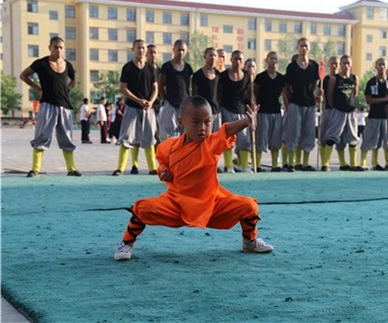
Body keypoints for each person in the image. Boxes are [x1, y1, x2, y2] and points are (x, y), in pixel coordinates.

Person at [113, 96, 274, 261]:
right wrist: (164, 172)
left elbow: (226, 131)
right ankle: (126, 243)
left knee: (249, 206)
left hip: (211, 205)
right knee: (142, 208)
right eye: (196, 122)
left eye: (207, 122)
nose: (203, 128)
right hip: (176, 204)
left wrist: (247, 121)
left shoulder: (210, 143)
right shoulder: (169, 146)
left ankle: (250, 242)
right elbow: (163, 164)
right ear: (181, 122)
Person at [19, 36, 82, 177]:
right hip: (47, 104)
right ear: (50, 48)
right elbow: (23, 75)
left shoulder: (68, 65)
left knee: (67, 138)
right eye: (56, 47)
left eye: (61, 47)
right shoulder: (41, 63)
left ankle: (71, 169)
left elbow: (74, 79)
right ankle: (35, 169)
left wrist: (68, 88)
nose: (58, 50)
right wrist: (37, 88)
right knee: (42, 136)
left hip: (65, 105)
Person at [112, 39, 158, 176]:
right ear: (133, 49)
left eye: (143, 48)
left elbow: (155, 88)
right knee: (126, 137)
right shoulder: (128, 68)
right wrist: (138, 100)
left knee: (149, 137)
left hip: (147, 109)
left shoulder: (150, 68)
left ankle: (152, 168)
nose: (141, 50)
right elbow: (123, 88)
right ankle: (120, 168)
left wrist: (150, 101)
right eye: (138, 48)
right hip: (132, 107)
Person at [283, 38, 321, 171]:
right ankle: (291, 163)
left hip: (310, 105)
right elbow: (287, 86)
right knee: (293, 133)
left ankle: (305, 163)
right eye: (301, 46)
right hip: (295, 103)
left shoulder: (314, 66)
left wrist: (316, 94)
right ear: (297, 48)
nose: (303, 48)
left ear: (309, 48)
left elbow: (317, 82)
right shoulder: (292, 67)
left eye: (306, 46)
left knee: (309, 133)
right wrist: (288, 102)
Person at [360, 57, 388, 171]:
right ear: (376, 66)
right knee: (370, 139)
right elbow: (368, 100)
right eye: (379, 64)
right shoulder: (371, 82)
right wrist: (383, 99)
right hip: (374, 115)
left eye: (384, 65)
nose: (382, 67)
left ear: (387, 67)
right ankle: (366, 162)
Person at [322, 54, 361, 171]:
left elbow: (355, 93)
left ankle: (353, 164)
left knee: (352, 138)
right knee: (332, 136)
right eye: (344, 63)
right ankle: (325, 164)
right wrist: (335, 107)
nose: (346, 65)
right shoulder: (334, 79)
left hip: (351, 111)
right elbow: (329, 96)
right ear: (341, 65)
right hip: (337, 111)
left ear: (351, 64)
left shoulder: (355, 78)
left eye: (348, 63)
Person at [218, 50, 253, 173]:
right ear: (231, 60)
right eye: (235, 59)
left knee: (244, 139)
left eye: (240, 59)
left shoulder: (247, 76)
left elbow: (250, 93)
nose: (238, 62)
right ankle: (229, 166)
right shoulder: (223, 76)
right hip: (226, 109)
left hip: (241, 110)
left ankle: (244, 165)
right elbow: (218, 92)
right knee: (227, 138)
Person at [254, 51, 287, 172]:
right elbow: (255, 93)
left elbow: (281, 93)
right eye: (271, 58)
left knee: (275, 139)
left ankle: (274, 165)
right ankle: (257, 165)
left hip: (276, 111)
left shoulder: (281, 78)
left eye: (275, 59)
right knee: (260, 138)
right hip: (263, 111)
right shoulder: (260, 77)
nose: (273, 61)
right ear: (266, 60)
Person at [158, 39, 193, 141]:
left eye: (183, 50)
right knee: (169, 134)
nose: (181, 52)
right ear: (174, 50)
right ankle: (170, 155)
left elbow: (188, 86)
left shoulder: (188, 68)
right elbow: (161, 86)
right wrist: (165, 100)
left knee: (184, 133)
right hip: (170, 104)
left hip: (185, 105)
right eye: (179, 50)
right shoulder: (166, 67)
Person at [318, 56, 339, 171]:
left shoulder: (342, 78)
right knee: (323, 137)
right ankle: (324, 163)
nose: (334, 66)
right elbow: (319, 95)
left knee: (334, 137)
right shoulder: (324, 79)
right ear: (329, 65)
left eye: (336, 63)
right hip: (327, 110)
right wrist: (319, 95)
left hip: (339, 111)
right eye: (332, 63)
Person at [192, 47, 221, 132]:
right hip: (203, 111)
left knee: (216, 138)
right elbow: (194, 94)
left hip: (216, 111)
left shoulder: (219, 75)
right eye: (211, 55)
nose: (213, 57)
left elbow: (220, 92)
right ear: (205, 56)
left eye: (215, 55)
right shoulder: (197, 75)